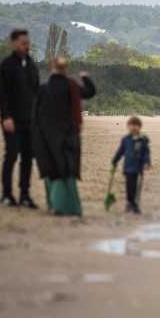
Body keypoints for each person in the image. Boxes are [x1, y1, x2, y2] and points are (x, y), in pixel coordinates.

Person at [32, 57, 96, 216]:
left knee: (51, 167)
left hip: (47, 135)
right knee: (67, 169)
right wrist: (85, 77)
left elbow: (36, 115)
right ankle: (68, 207)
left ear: (50, 68)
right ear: (66, 69)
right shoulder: (72, 86)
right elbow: (90, 92)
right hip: (68, 134)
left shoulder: (43, 89)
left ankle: (53, 204)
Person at [0, 29, 40, 208]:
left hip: (30, 120)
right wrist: (6, 116)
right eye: (23, 43)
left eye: (28, 43)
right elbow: (1, 93)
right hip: (11, 120)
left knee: (28, 157)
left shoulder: (31, 66)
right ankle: (7, 195)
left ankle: (25, 194)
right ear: (14, 44)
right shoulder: (5, 66)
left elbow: (36, 92)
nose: (26, 46)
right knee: (11, 155)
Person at [111, 116, 152, 214]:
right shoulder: (125, 139)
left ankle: (135, 204)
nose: (133, 127)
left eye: (136, 125)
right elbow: (120, 151)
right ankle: (129, 202)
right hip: (128, 168)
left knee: (137, 187)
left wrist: (147, 162)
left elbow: (146, 152)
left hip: (138, 169)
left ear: (139, 127)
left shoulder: (142, 140)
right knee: (129, 186)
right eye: (131, 125)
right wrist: (115, 160)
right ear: (128, 127)